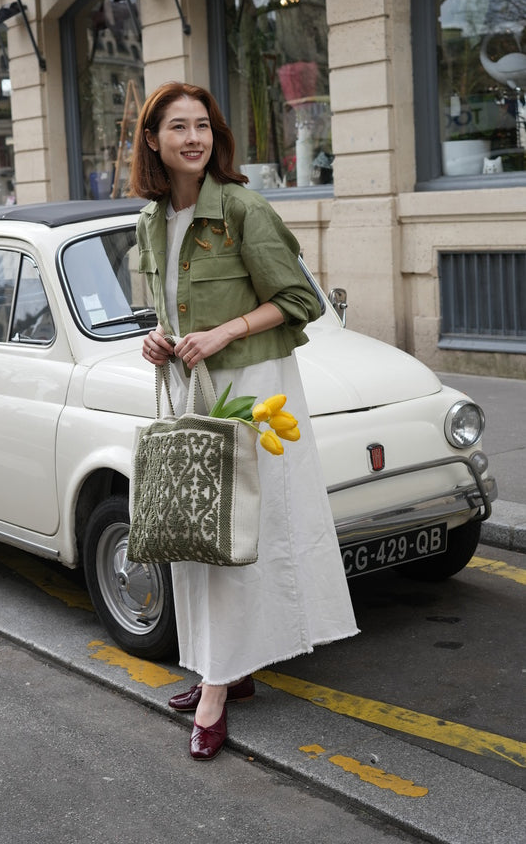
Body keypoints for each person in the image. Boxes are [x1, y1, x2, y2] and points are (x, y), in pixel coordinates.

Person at [129, 81, 358, 761]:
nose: (193, 137)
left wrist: (225, 332)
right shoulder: (150, 220)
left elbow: (297, 300)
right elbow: (170, 309)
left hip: (254, 390)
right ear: (152, 140)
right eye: (178, 127)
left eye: (202, 125)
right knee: (199, 536)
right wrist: (158, 338)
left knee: (240, 533)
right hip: (194, 387)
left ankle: (216, 689)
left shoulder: (241, 208)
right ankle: (222, 666)